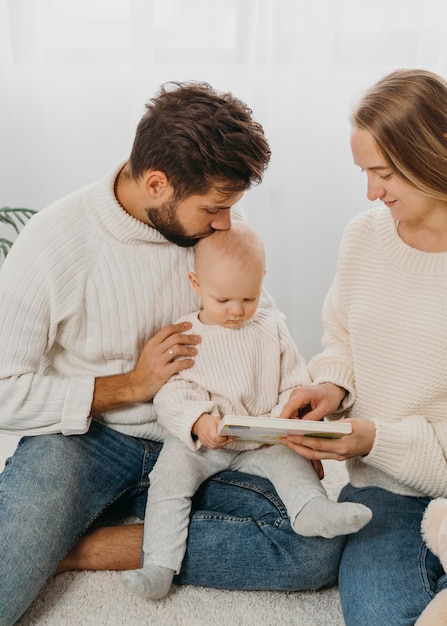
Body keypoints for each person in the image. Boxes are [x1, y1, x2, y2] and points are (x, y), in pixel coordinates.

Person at [0, 81, 344, 626]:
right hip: (86, 441)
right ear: (157, 184)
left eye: (232, 207)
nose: (227, 223)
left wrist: (284, 417)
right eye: (214, 208)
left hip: (209, 441)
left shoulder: (219, 232)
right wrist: (128, 387)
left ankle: (86, 547)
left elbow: (260, 327)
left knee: (316, 545)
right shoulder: (54, 243)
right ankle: (111, 519)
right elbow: (3, 392)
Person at [120, 221, 371, 600]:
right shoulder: (186, 334)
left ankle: (313, 510)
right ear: (196, 283)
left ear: (262, 282)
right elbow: (172, 392)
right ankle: (159, 564)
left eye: (248, 299)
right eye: (224, 301)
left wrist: (288, 417)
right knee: (168, 480)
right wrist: (199, 421)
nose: (237, 311)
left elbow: (294, 381)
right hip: (204, 443)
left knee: (293, 462)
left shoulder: (271, 327)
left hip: (262, 439)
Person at [280, 68, 447, 626]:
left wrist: (376, 437)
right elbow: (342, 334)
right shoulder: (364, 235)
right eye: (364, 172)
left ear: (434, 155)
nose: (371, 192)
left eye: (384, 173)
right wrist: (333, 384)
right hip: (388, 490)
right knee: (378, 615)